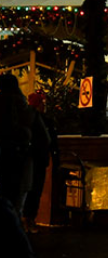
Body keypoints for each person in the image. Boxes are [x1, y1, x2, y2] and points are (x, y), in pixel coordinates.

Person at [0, 74, 35, 219]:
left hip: (7, 161)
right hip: (20, 162)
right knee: (16, 205)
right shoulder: (24, 108)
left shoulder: (5, 104)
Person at [23, 92, 54, 233]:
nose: (44, 106)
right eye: (42, 103)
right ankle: (28, 219)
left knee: (33, 190)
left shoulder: (31, 119)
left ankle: (28, 219)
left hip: (35, 159)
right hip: (35, 159)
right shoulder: (36, 120)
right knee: (33, 190)